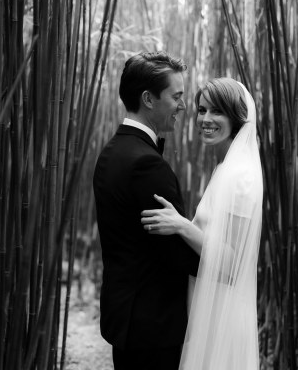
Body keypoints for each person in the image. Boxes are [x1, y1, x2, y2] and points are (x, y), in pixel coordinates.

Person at [141, 78, 263, 369]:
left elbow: (232, 266)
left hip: (222, 317)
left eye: (217, 111)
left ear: (237, 118)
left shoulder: (241, 178)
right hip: (208, 308)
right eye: (202, 109)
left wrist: (182, 225)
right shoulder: (225, 167)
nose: (205, 119)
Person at [93, 51, 200, 370]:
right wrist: (220, 254)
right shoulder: (147, 165)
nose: (183, 106)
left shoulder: (111, 152)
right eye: (176, 96)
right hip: (153, 328)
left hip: (127, 319)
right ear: (148, 99)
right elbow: (177, 254)